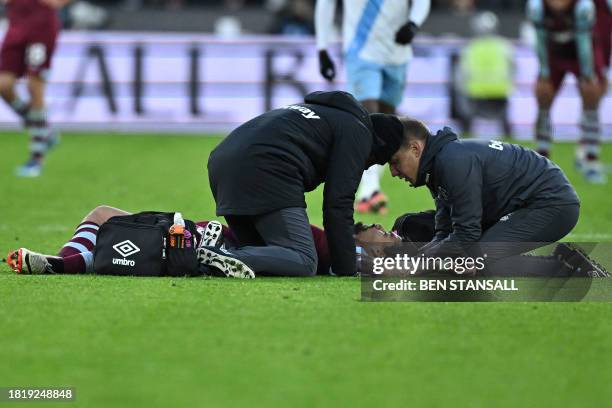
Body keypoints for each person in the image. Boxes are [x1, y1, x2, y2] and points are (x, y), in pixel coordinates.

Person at [205, 91, 404, 278]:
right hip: (264, 168)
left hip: (221, 164)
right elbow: (338, 203)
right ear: (377, 147)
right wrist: (346, 268)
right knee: (304, 260)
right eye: (375, 161)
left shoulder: (328, 113)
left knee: (269, 256)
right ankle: (225, 255)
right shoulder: (359, 132)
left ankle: (208, 252)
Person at [386, 118, 591, 275]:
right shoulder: (438, 164)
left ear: (415, 149)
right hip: (531, 203)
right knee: (462, 260)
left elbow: (467, 234)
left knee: (476, 260)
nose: (393, 172)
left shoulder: (452, 161)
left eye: (395, 162)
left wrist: (415, 266)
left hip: (552, 205)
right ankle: (565, 264)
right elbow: (445, 231)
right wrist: (418, 261)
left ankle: (573, 267)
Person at [315, 0, 431, 214]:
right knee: (367, 118)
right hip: (361, 53)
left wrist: (413, 24)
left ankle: (370, 189)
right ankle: (370, 190)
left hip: (397, 53)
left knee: (387, 124)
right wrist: (322, 47)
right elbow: (326, 4)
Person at [4, 205, 333, 276]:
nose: (378, 226)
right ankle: (69, 262)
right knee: (107, 220)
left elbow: (380, 260)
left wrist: (384, 245)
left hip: (203, 236)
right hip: (195, 237)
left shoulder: (329, 244)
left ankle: (67, 263)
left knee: (104, 217)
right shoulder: (314, 240)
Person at [527, 0, 612, 183]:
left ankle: (590, 158)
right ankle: (541, 159)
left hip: (581, 48)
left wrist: (588, 75)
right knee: (543, 94)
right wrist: (544, 73)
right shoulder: (536, 7)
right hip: (554, 51)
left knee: (591, 93)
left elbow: (584, 43)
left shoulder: (583, 7)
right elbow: (540, 39)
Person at [0, 0, 71, 177]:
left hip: (41, 26)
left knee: (35, 86)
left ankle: (36, 158)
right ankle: (44, 130)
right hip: (16, 24)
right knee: (3, 84)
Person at [454, 11, 514, 137]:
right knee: (504, 118)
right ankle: (509, 136)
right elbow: (513, 69)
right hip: (500, 93)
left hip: (476, 94)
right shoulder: (504, 45)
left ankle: (466, 134)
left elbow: (462, 73)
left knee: (465, 110)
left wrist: (462, 88)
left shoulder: (470, 48)